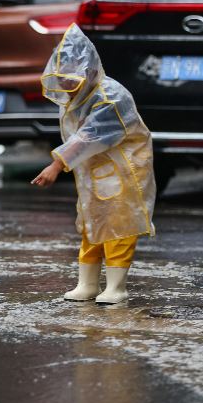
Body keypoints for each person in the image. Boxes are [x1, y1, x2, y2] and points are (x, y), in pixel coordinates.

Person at [31, 23, 156, 304]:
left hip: (124, 171)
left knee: (119, 225)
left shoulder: (111, 96)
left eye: (71, 80)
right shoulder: (79, 97)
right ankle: (87, 284)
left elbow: (89, 137)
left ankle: (116, 286)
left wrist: (56, 165)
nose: (66, 87)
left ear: (88, 71)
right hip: (94, 173)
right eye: (62, 80)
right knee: (91, 223)